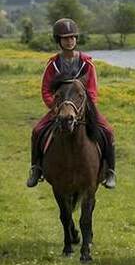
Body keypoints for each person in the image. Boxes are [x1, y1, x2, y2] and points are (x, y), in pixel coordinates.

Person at [27, 18, 117, 189]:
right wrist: (55, 106)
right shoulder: (53, 64)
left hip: (83, 106)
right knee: (37, 130)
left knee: (108, 131)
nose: (69, 41)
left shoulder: (87, 63)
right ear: (58, 41)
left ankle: (110, 171)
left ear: (76, 39)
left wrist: (83, 107)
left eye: (72, 37)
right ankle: (36, 169)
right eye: (65, 38)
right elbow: (46, 89)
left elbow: (92, 90)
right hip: (59, 107)